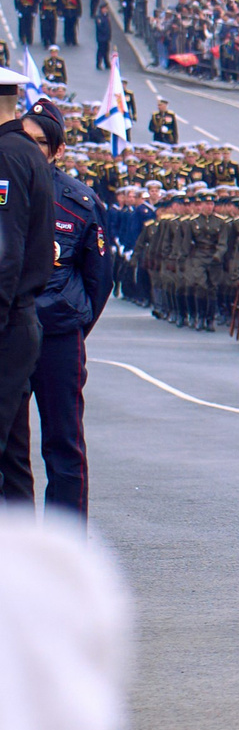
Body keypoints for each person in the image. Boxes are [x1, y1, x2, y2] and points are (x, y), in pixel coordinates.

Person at [26, 106, 109, 521]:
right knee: (9, 445)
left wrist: (73, 325)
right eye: (24, 138)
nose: (31, 148)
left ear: (57, 149)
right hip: (8, 334)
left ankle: (66, 545)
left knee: (63, 443)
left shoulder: (80, 202)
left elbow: (98, 280)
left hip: (57, 335)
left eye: (41, 141)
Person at [0, 71, 56, 509]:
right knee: (13, 456)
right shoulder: (24, 152)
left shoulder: (5, 155)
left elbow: (5, 251)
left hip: (6, 320)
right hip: (17, 319)